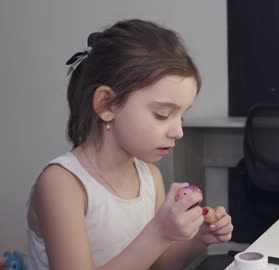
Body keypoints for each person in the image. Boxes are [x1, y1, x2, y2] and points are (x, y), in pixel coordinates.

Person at [25, 19, 233, 270]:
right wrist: (160, 233)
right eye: (162, 115)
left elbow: (157, 264)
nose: (178, 131)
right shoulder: (63, 184)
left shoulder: (149, 177)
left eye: (182, 116)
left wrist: (199, 239)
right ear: (106, 105)